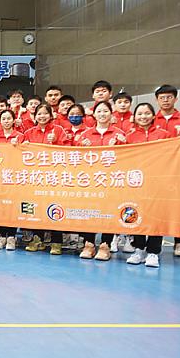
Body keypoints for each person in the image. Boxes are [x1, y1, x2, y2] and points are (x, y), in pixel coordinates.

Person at [75, 101, 127, 262]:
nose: (102, 114)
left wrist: (121, 144)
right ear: (94, 114)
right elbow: (74, 156)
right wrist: (81, 146)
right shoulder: (85, 134)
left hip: (111, 180)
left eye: (106, 111)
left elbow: (128, 156)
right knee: (89, 210)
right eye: (99, 111)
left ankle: (105, 244)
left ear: (111, 113)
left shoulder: (119, 134)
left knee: (109, 211)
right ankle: (89, 244)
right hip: (90, 180)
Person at [153, 84, 180, 257]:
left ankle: (179, 242)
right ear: (157, 100)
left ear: (176, 99)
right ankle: (153, 242)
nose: (165, 100)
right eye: (162, 98)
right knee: (154, 205)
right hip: (155, 171)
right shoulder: (152, 119)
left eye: (169, 97)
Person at [125, 102, 172, 268]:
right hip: (136, 182)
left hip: (157, 182)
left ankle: (153, 252)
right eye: (140, 114)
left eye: (147, 113)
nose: (143, 117)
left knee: (156, 216)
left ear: (153, 116)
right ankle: (138, 249)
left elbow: (171, 155)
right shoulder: (129, 137)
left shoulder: (164, 135)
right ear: (134, 117)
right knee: (137, 213)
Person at [22, 104, 68, 253]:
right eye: (39, 114)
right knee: (36, 207)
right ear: (35, 116)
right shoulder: (28, 132)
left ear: (51, 115)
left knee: (56, 206)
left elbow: (69, 150)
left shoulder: (58, 130)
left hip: (54, 176)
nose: (42, 116)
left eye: (45, 113)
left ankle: (56, 241)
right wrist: (22, 145)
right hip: (35, 177)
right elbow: (20, 152)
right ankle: (38, 238)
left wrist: (56, 141)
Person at [0, 109, 25, 250]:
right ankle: (2, 236)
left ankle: (11, 237)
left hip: (15, 176)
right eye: (4, 119)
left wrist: (18, 147)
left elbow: (27, 154)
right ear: (0, 121)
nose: (6, 121)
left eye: (9, 118)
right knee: (0, 205)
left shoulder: (21, 136)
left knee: (13, 206)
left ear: (14, 120)